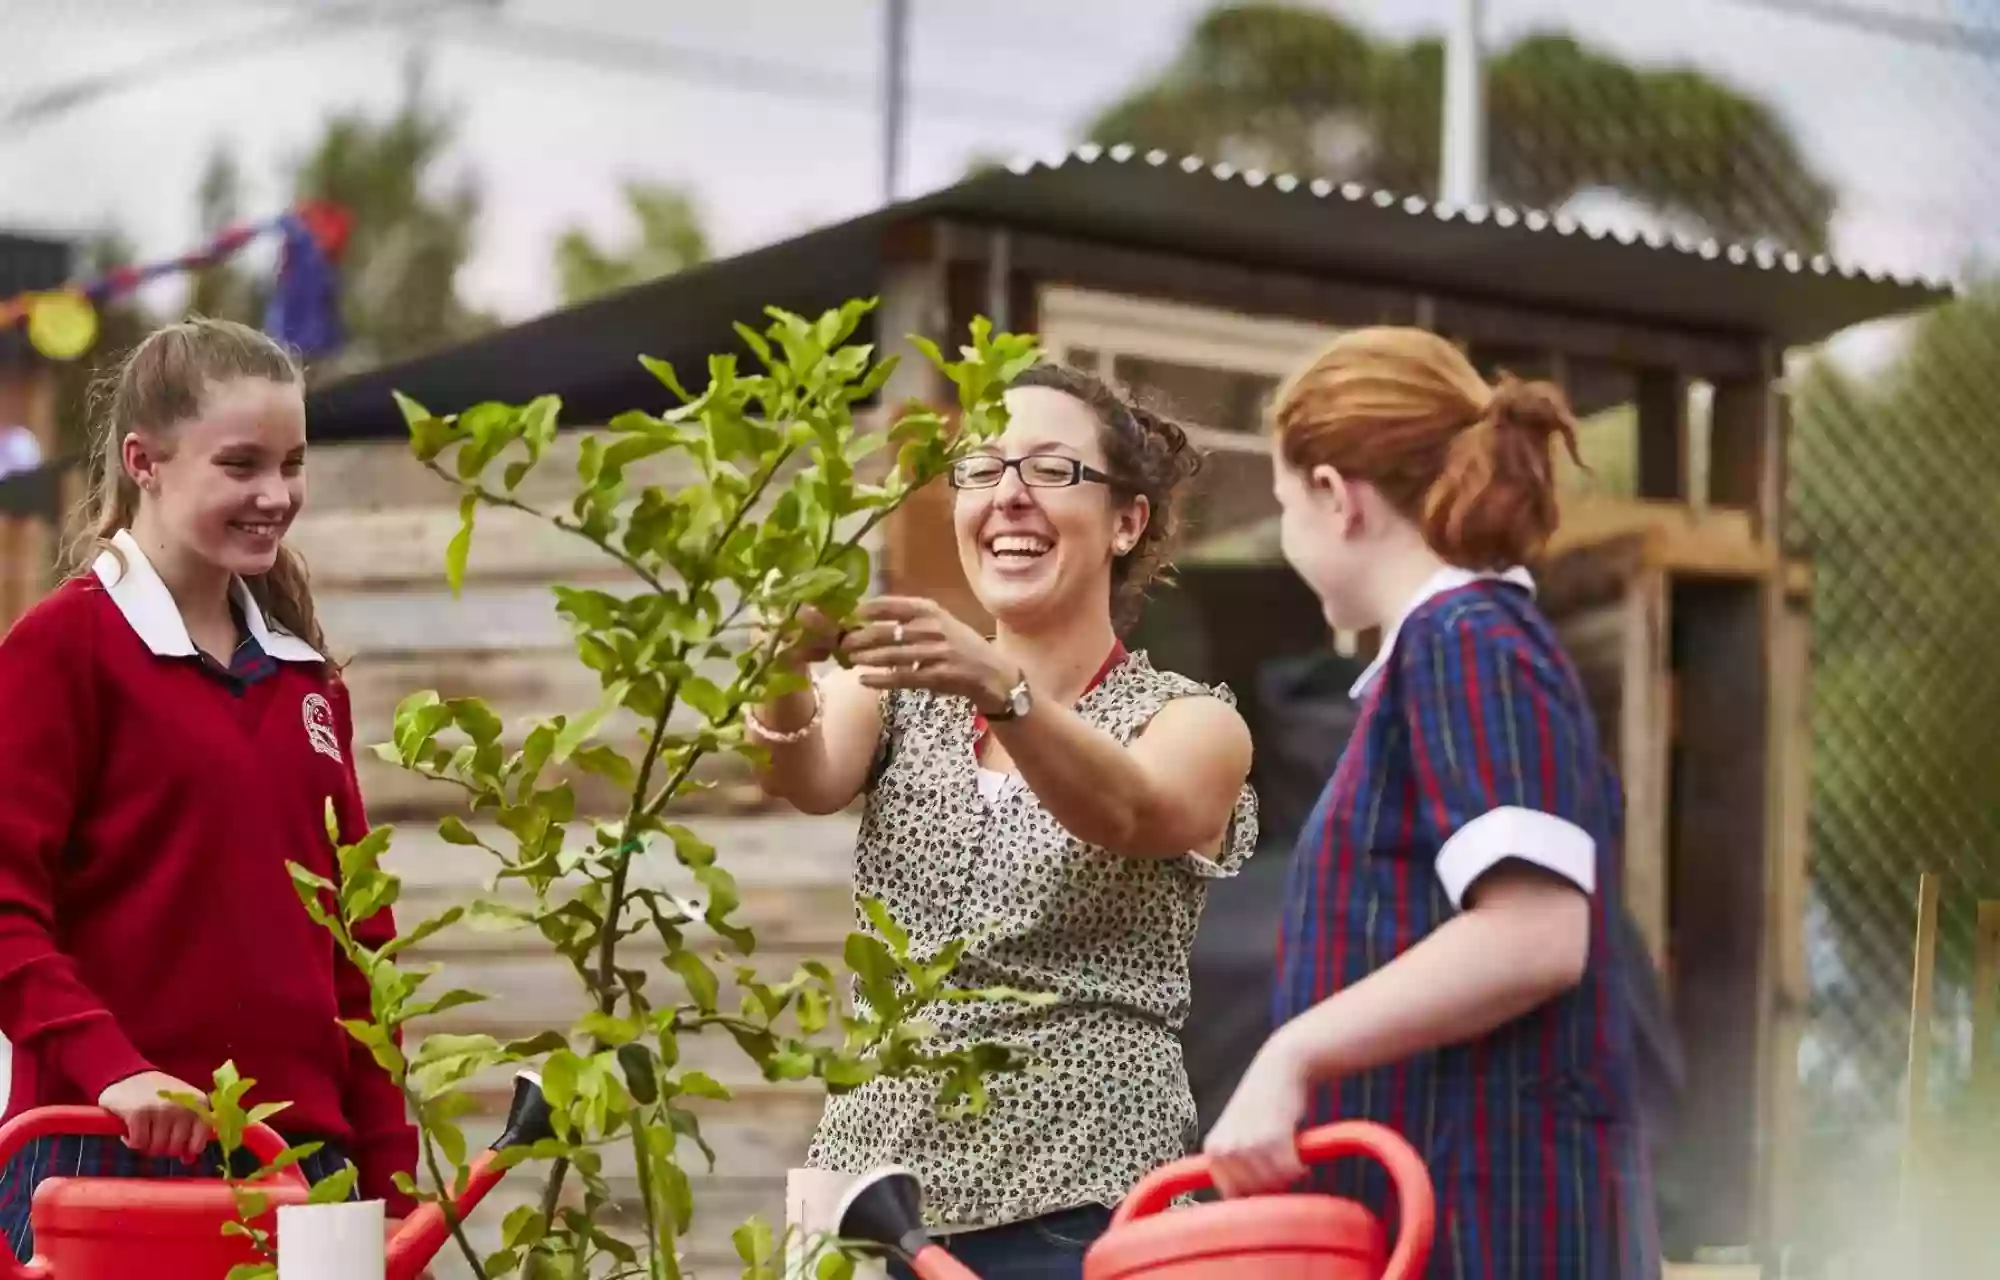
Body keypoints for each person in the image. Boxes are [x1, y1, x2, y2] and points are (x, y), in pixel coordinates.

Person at [755, 363, 1259, 1278]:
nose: (1009, 497)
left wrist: (1003, 689)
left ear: (1126, 521)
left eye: (1053, 471)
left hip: (1077, 1203)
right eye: (981, 470)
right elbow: (805, 774)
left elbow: (1132, 810)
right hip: (866, 1192)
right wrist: (782, 660)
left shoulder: (1191, 722)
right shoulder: (901, 687)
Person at [1202, 328, 1659, 1278]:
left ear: (1335, 498)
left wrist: (1291, 1055)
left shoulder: (1469, 642)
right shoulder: (1443, 652)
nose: (1289, 537)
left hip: (1493, 1230)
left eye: (1286, 505)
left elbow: (1534, 935)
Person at [0, 317, 416, 1260]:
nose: (276, 495)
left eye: (292, 464)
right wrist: (118, 1075)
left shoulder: (310, 685)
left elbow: (361, 951)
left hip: (313, 1175)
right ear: (144, 461)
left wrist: (389, 1185)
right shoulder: (62, 651)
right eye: (241, 465)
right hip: (106, 1159)